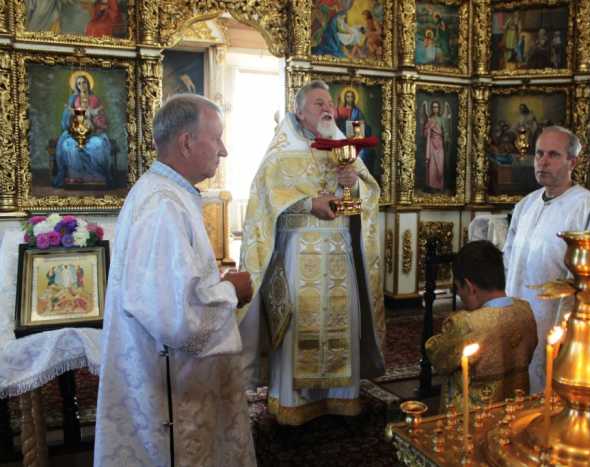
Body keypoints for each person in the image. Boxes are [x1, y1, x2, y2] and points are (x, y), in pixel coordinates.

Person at [94, 95, 256, 466]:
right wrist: (231, 291)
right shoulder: (163, 205)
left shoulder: (165, 193)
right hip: (171, 393)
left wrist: (215, 284)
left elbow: (168, 285)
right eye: (216, 138)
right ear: (186, 142)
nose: (224, 150)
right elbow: (176, 317)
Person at [239, 80, 385, 426]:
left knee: (343, 320)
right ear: (299, 111)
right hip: (298, 253)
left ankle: (340, 398)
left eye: (330, 103)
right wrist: (308, 204)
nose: (327, 108)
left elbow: (368, 196)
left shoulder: (342, 146)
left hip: (339, 253)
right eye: (319, 103)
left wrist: (354, 185)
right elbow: (265, 202)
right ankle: (294, 404)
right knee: (297, 325)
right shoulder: (281, 152)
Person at [504, 126, 590, 393]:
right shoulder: (526, 205)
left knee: (546, 386)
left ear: (572, 161)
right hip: (517, 312)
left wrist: (567, 326)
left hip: (553, 320)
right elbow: (509, 258)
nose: (543, 161)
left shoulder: (589, 208)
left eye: (553, 155)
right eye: (539, 154)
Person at [426, 241, 537, 410]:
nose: (460, 295)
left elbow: (439, 359)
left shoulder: (466, 324)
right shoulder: (525, 311)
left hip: (472, 418)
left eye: (458, 288)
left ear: (470, 287)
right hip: (515, 411)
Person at [53, 73, 113, 188]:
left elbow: (102, 118)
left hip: (94, 132)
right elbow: (67, 119)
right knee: (68, 145)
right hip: (76, 132)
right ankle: (75, 177)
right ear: (76, 86)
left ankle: (95, 177)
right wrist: (72, 115)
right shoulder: (73, 99)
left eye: (84, 82)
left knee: (98, 145)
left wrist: (94, 117)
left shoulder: (95, 99)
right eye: (79, 83)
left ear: (88, 84)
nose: (82, 85)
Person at [423, 100, 450, 192]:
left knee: (440, 165)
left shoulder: (442, 119)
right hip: (432, 144)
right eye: (434, 107)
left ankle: (439, 186)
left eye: (437, 107)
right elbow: (425, 133)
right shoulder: (430, 119)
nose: (435, 109)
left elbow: (445, 131)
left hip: (440, 144)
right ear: (432, 108)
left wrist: (446, 138)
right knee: (432, 165)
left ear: (439, 108)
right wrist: (429, 129)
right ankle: (432, 186)